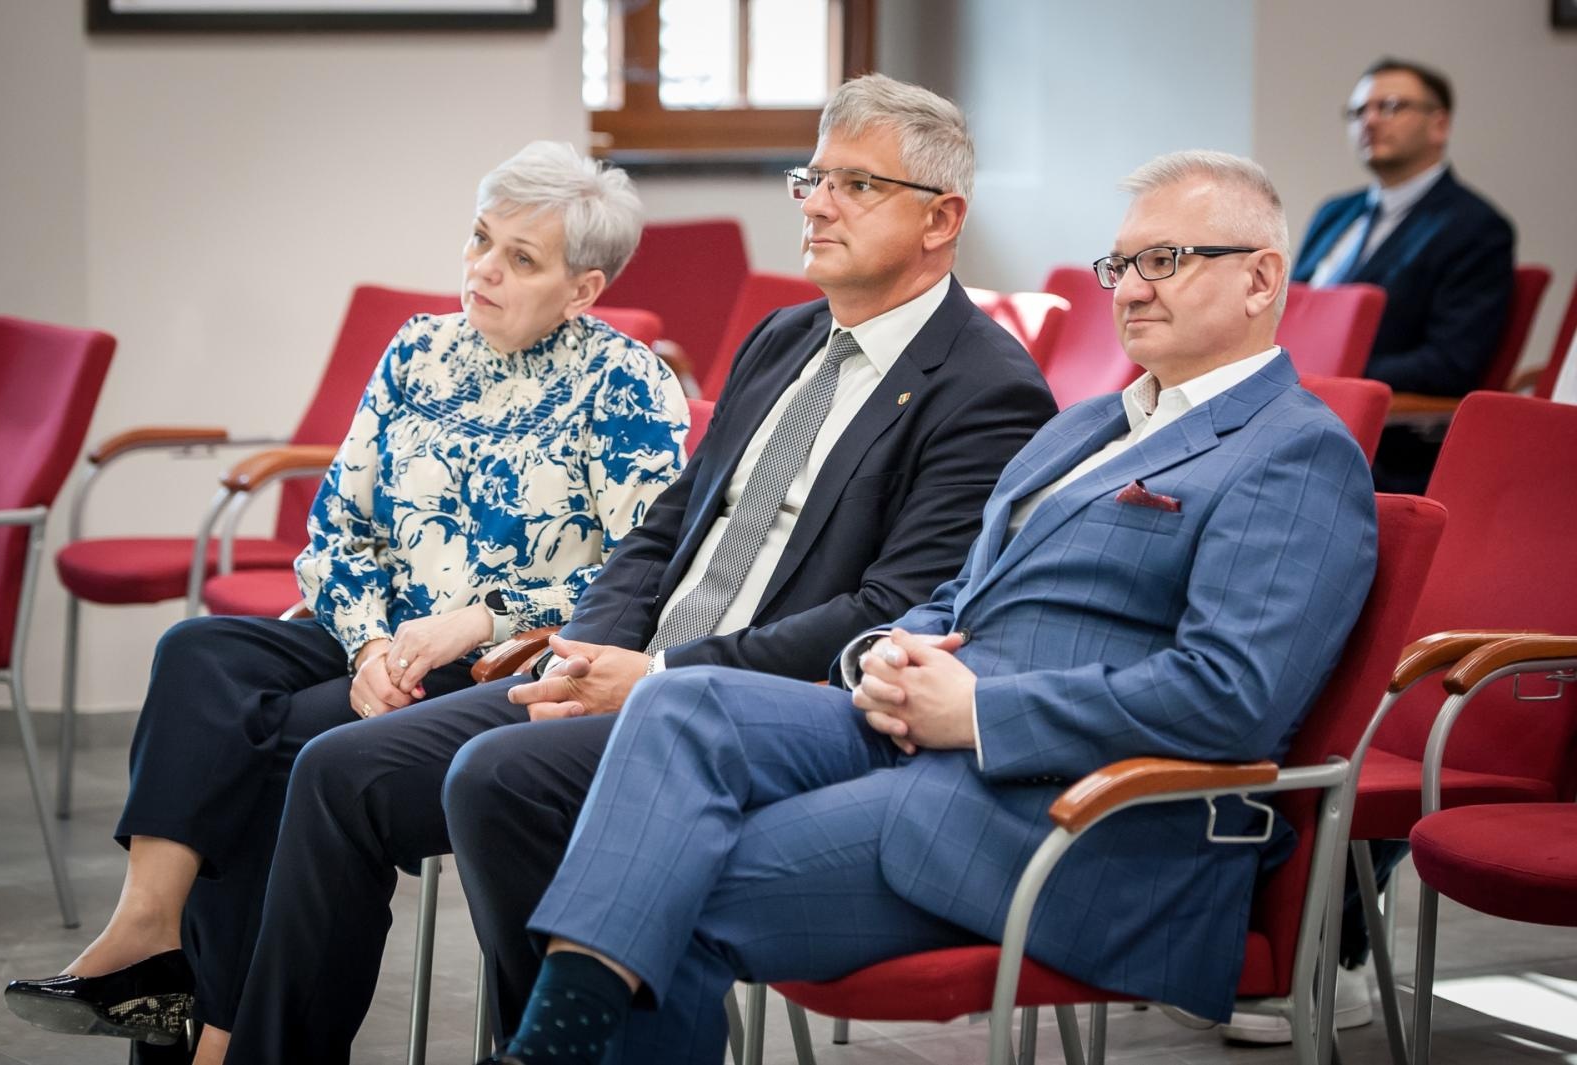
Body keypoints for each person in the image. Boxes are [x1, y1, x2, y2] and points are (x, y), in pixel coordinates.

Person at [219, 73, 1056, 1064]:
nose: (818, 203)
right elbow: (663, 528)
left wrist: (659, 680)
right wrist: (590, 649)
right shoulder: (784, 338)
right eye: (812, 178)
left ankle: (549, 1051)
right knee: (336, 772)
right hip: (621, 673)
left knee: (499, 778)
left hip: (748, 713)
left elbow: (885, 612)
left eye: (857, 186)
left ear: (940, 218)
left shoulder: (988, 389)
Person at [486, 149, 1381, 1065]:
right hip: (926, 735)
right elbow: (964, 587)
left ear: (1260, 279)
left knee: (675, 890)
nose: (1131, 289)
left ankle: (549, 1047)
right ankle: (552, 1047)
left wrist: (980, 712)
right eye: (1121, 265)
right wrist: (889, 647)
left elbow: (1232, 696)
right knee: (681, 701)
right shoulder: (1088, 423)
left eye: (1164, 261)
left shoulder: (1294, 454)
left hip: (1080, 816)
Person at [2, 141, 687, 1065]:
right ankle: (147, 932)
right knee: (197, 655)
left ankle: (217, 1038)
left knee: (273, 753)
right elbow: (336, 532)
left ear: (584, 289)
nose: (482, 269)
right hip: (376, 639)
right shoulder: (419, 348)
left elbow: (643, 572)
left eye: (519, 258)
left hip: (503, 663)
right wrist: (369, 647)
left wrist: (481, 618)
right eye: (480, 239)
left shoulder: (626, 383)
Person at [1292, 56, 1514, 492]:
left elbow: (1451, 363)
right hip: (1293, 405)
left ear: (1439, 125)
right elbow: (1292, 311)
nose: (1370, 121)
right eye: (1358, 112)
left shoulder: (1474, 227)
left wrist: (1334, 373)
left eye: (1390, 106)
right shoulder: (1335, 213)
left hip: (1379, 440)